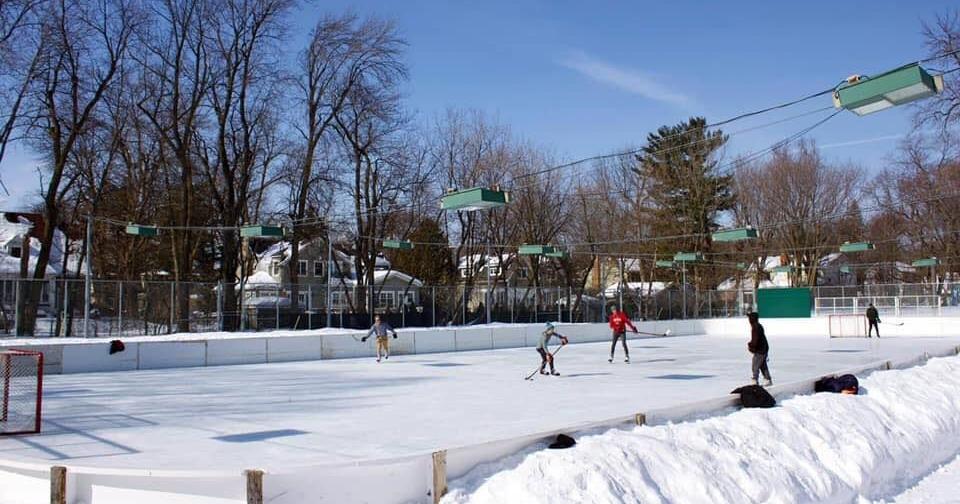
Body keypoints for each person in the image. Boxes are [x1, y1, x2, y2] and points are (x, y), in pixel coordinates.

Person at [747, 312, 772, 387]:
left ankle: (755, 380)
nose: (748, 320)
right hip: (764, 349)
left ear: (752, 319)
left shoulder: (755, 327)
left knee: (755, 364)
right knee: (762, 365)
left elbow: (755, 340)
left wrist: (750, 345)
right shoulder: (758, 326)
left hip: (760, 350)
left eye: (749, 318)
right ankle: (767, 379)